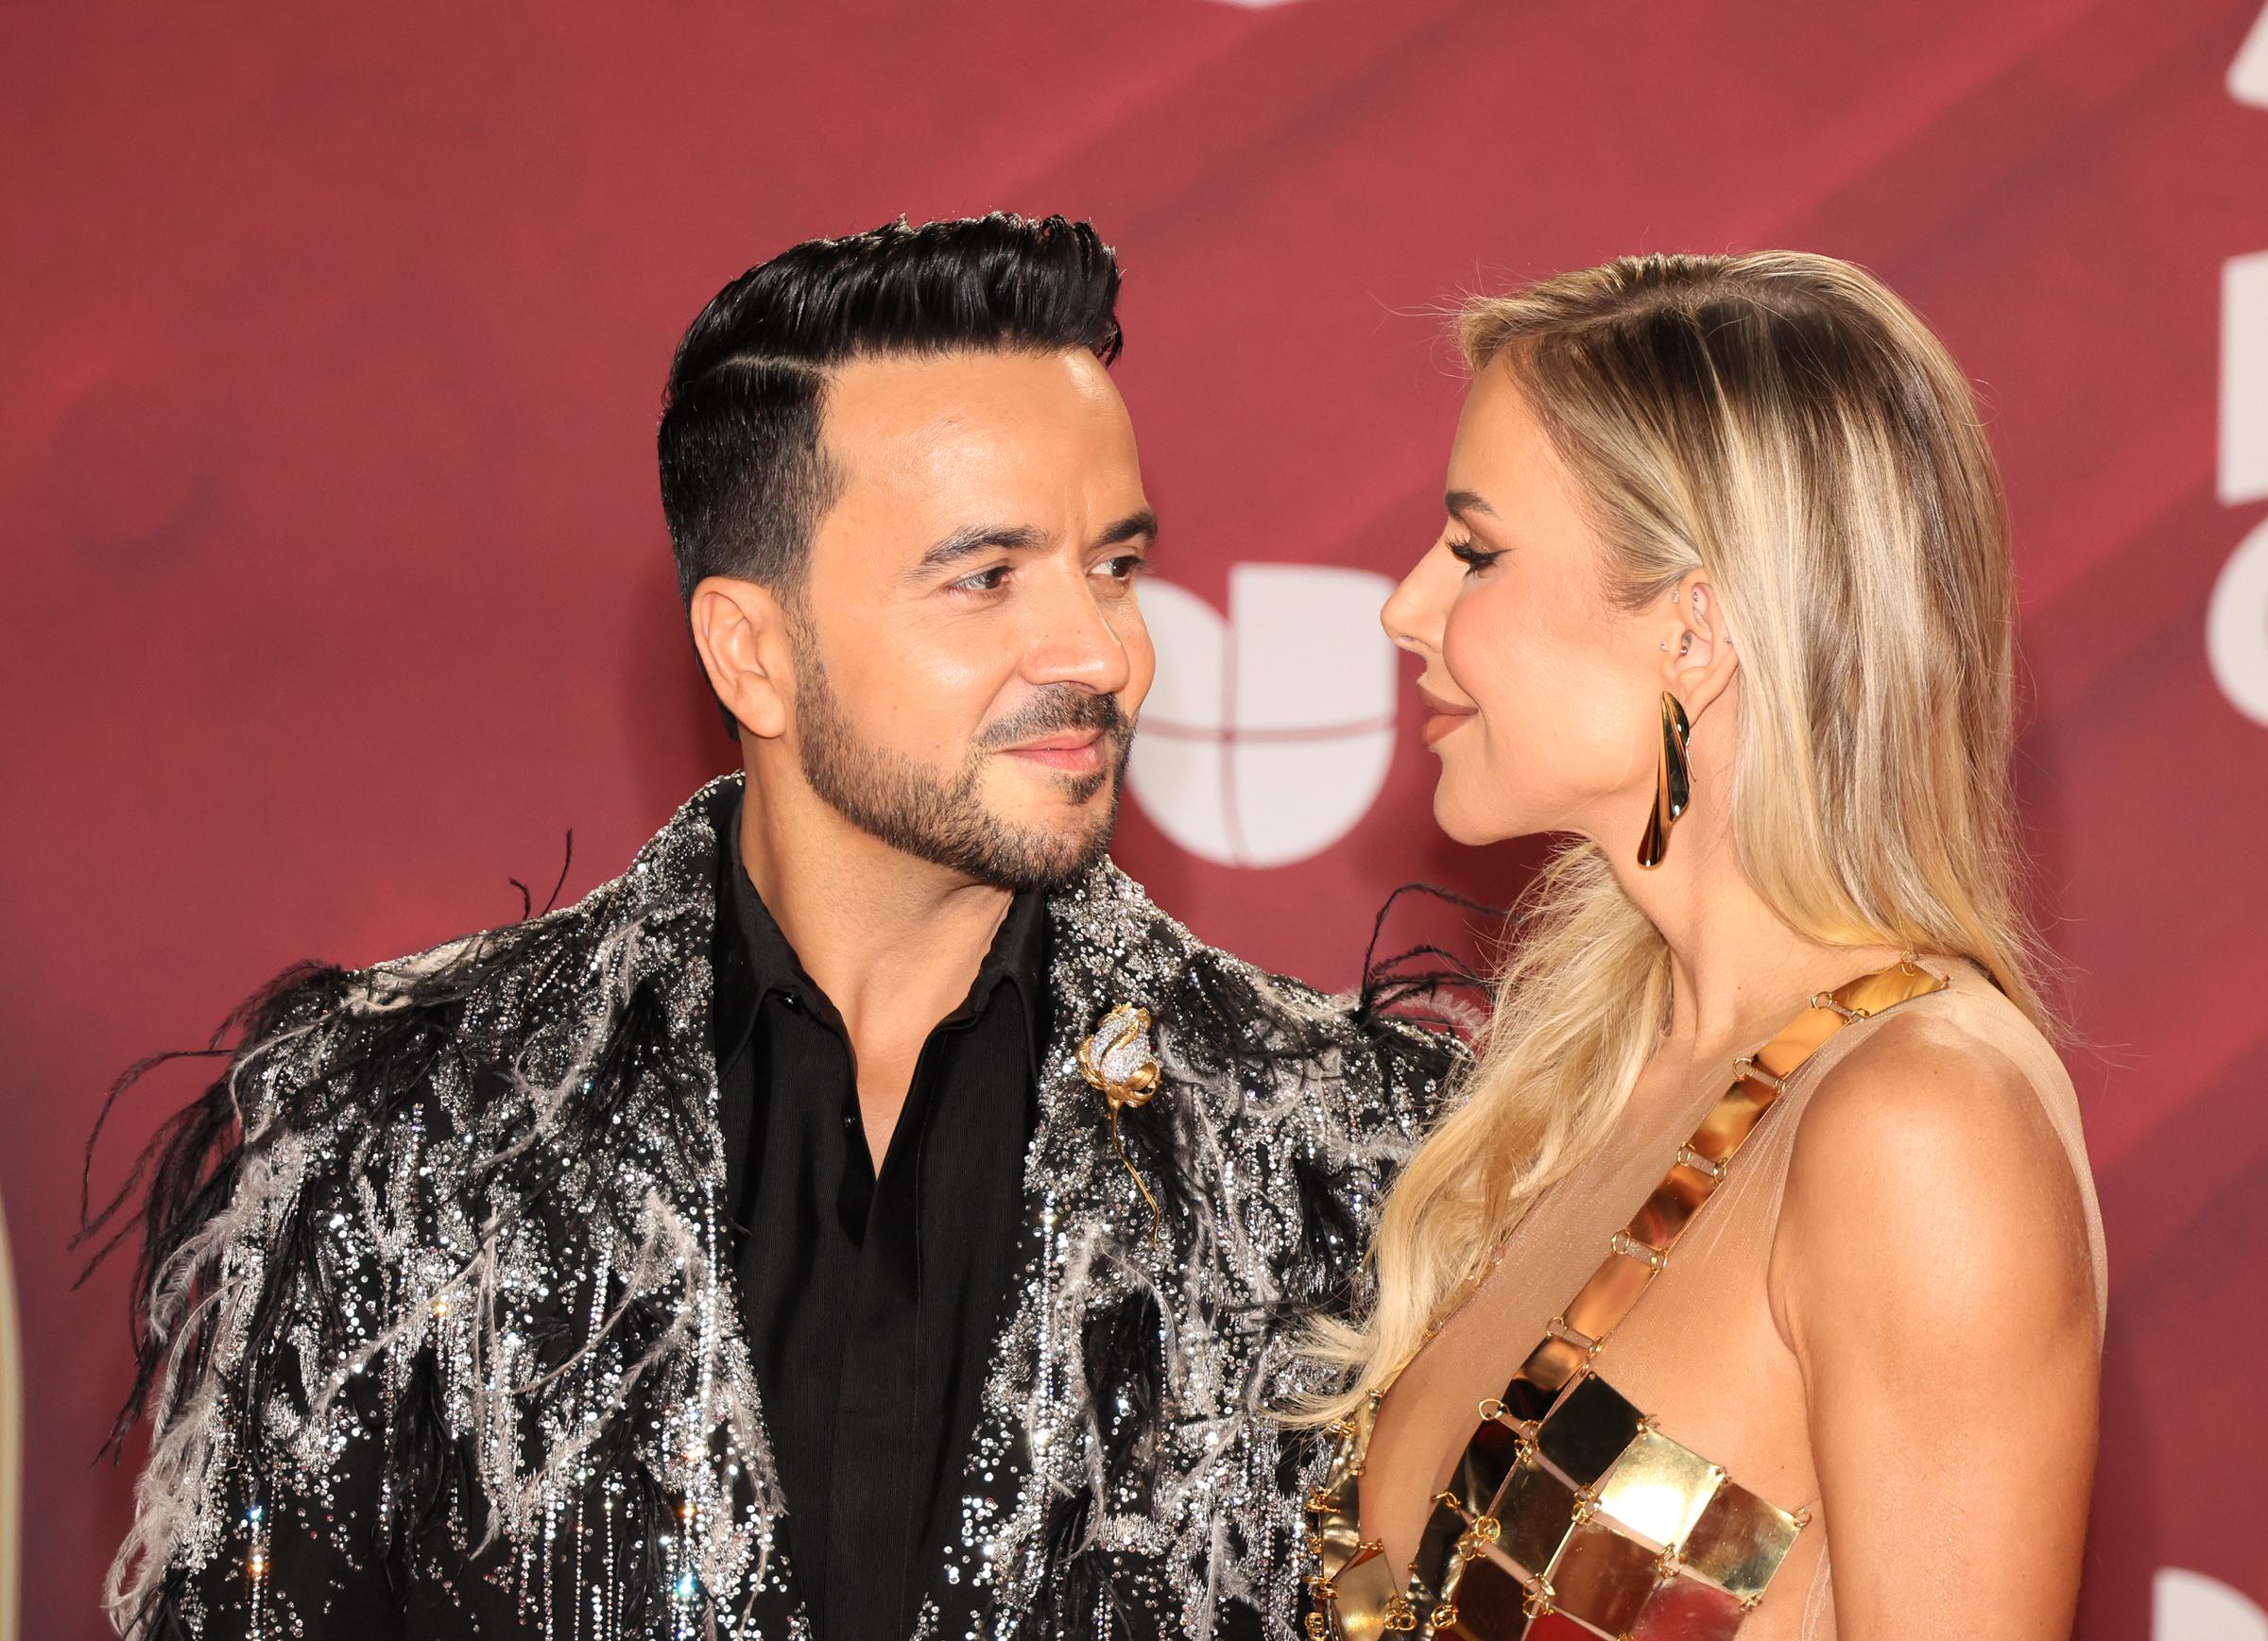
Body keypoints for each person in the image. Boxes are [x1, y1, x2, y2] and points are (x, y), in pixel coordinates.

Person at [96, 214, 1453, 1641]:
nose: (1104, 653)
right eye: (985, 576)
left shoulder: (1343, 1155)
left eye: (1112, 564)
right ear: (751, 648)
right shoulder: (408, 1133)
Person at [1299, 253, 2106, 1640]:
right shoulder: (1607, 1073)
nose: (1406, 608)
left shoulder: (1922, 1126)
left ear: (1694, 627)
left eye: (1477, 550)